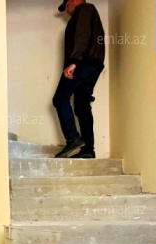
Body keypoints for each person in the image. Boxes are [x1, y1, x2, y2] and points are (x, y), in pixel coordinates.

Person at [53, 0, 105, 159]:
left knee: (60, 98)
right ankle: (88, 149)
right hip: (93, 64)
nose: (66, 10)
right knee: (82, 106)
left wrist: (75, 61)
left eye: (66, 5)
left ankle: (73, 139)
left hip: (83, 62)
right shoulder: (90, 12)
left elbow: (83, 34)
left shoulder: (84, 8)